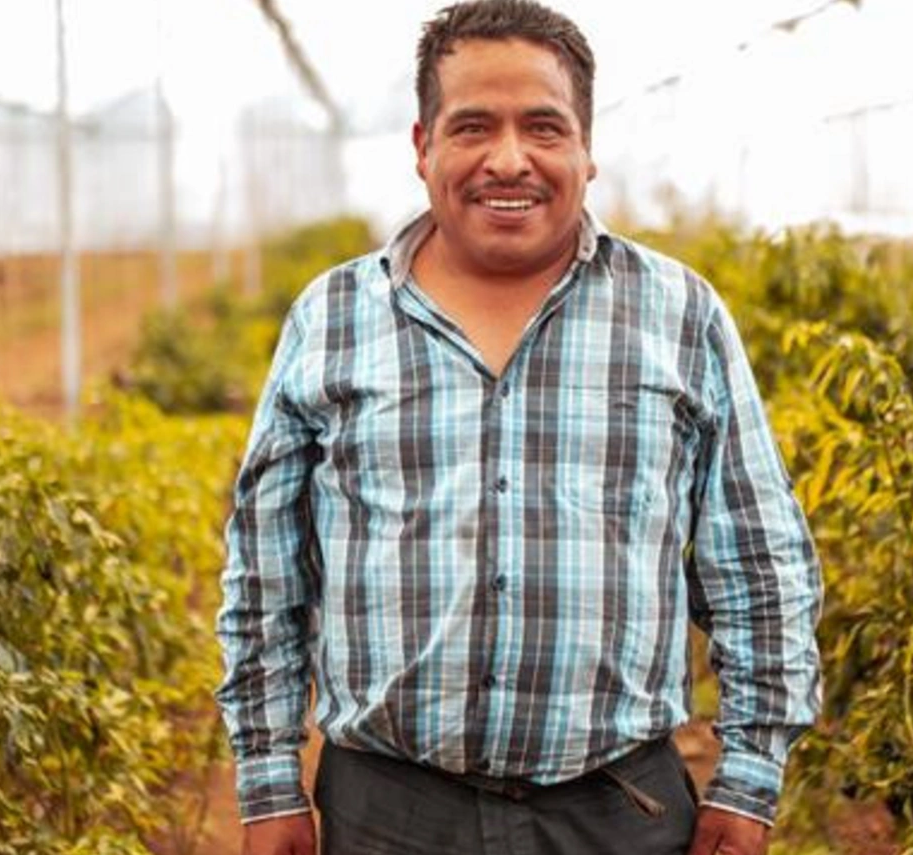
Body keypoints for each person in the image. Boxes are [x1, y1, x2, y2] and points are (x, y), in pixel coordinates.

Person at [214, 1, 823, 853]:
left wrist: (752, 774)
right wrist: (269, 776)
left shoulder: (679, 314)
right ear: (424, 146)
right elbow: (267, 569)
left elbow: (758, 563)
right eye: (473, 128)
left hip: (617, 810)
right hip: (387, 812)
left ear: (585, 148)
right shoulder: (335, 316)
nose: (509, 160)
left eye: (543, 126)